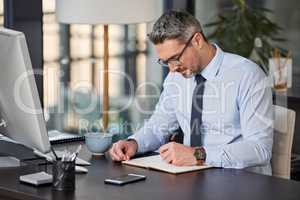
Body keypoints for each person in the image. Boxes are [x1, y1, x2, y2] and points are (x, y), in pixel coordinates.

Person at [109, 10, 273, 175]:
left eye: (175, 58)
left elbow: (260, 149)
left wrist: (198, 155)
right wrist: (134, 143)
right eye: (166, 62)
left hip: (242, 182)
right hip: (190, 178)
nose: (172, 69)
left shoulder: (247, 75)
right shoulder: (176, 78)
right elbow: (159, 125)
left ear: (197, 40)